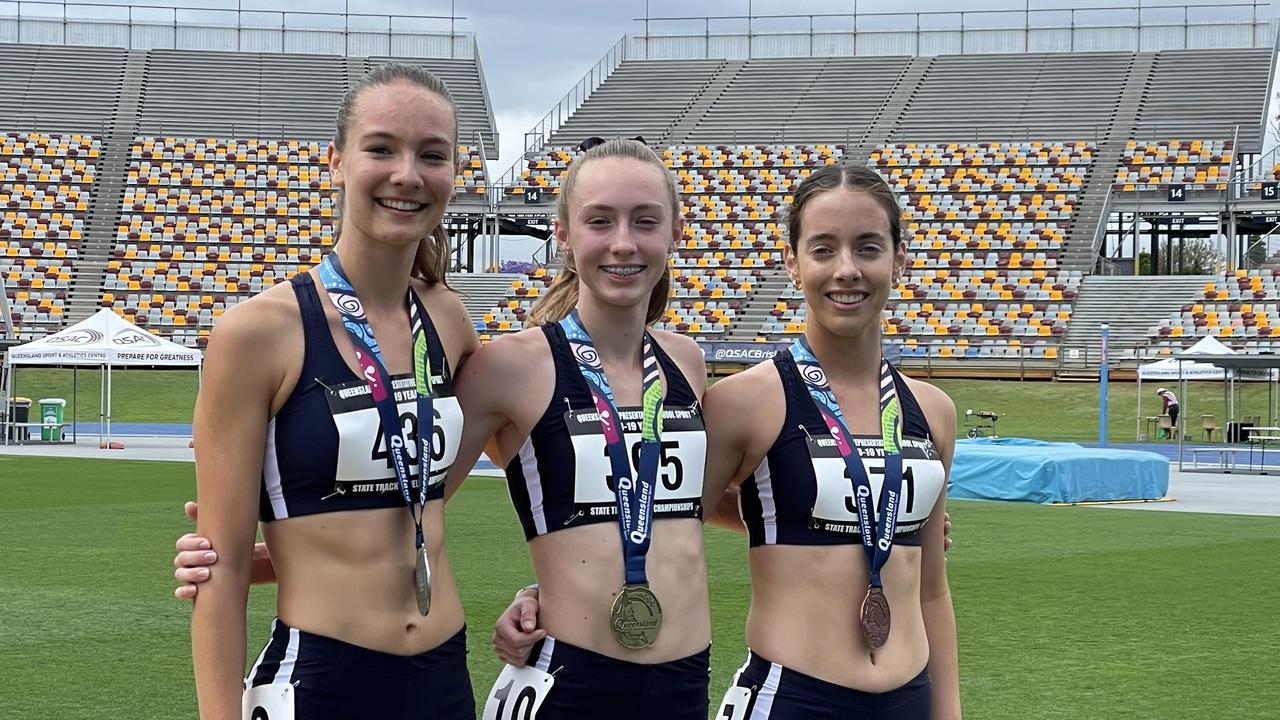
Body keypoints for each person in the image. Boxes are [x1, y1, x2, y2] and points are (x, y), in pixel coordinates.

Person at [188, 63, 478, 720]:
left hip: (444, 676)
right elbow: (221, 569)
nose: (408, 173)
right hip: (320, 680)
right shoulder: (257, 333)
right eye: (381, 148)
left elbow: (432, 477)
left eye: (432, 155)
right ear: (336, 162)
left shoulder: (450, 320)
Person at [449, 137, 713, 718]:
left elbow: (696, 503)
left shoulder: (687, 362)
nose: (623, 242)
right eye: (600, 221)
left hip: (687, 683)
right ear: (564, 234)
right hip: (572, 683)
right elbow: (413, 504)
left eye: (645, 221)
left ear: (674, 232)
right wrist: (272, 554)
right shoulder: (509, 367)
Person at [700, 164, 961, 719]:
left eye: (868, 248)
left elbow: (933, 591)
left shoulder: (933, 413)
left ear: (899, 258)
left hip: (910, 696)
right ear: (793, 263)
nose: (847, 270)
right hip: (791, 698)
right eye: (823, 250)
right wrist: (543, 598)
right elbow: (658, 530)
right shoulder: (743, 402)